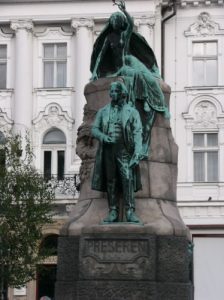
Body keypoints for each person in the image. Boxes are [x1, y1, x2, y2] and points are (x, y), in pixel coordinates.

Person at [90, 0, 169, 157]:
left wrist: (125, 11)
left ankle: (154, 103)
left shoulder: (124, 36)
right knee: (136, 75)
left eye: (117, 20)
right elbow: (100, 57)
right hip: (119, 69)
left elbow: (131, 24)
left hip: (129, 62)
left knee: (148, 77)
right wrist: (95, 73)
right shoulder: (109, 38)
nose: (115, 22)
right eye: (113, 20)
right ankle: (146, 101)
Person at [91, 81, 143, 223]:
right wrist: (103, 137)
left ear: (122, 93)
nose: (111, 94)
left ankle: (130, 211)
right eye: (111, 91)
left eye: (114, 91)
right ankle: (113, 211)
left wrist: (137, 153)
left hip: (124, 150)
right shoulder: (103, 111)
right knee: (111, 181)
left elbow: (138, 132)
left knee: (127, 180)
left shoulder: (131, 112)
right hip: (108, 151)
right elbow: (94, 129)